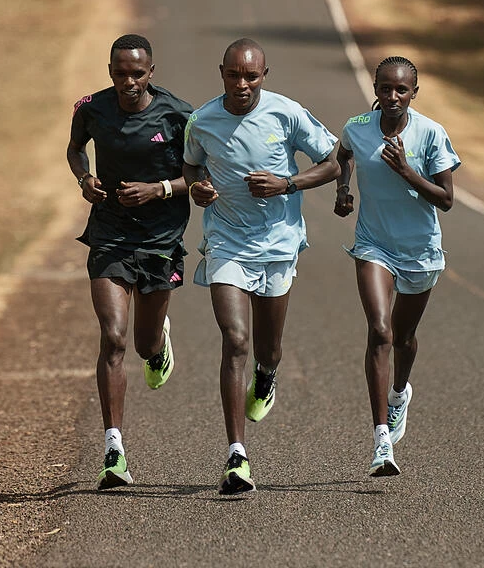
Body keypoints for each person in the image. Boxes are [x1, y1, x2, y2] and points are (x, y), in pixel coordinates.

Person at [183, 38, 340, 495]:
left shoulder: (287, 113)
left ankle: (267, 375)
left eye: (251, 76)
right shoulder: (202, 120)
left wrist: (287, 183)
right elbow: (191, 166)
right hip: (227, 242)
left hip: (277, 244)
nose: (242, 84)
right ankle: (237, 456)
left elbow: (332, 161)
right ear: (222, 73)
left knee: (268, 349)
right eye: (234, 75)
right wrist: (199, 189)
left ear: (264, 76)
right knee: (235, 339)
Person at [66, 34, 193, 490]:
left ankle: (159, 342)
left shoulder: (179, 114)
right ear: (110, 71)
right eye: (121, 72)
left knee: (142, 344)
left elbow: (199, 175)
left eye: (137, 73)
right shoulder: (93, 107)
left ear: (151, 73)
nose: (129, 81)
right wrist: (85, 178)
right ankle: (113, 450)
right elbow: (75, 147)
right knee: (113, 338)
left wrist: (158, 189)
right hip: (110, 235)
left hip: (161, 238)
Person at [333, 56, 460, 477]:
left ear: (414, 94)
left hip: (420, 249)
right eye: (385, 88)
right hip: (373, 244)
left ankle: (400, 393)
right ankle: (380, 440)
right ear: (375, 87)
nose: (392, 97)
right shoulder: (357, 126)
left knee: (404, 337)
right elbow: (343, 155)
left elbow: (445, 199)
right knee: (380, 330)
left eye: (401, 90)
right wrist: (343, 190)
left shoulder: (430, 134)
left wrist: (406, 170)